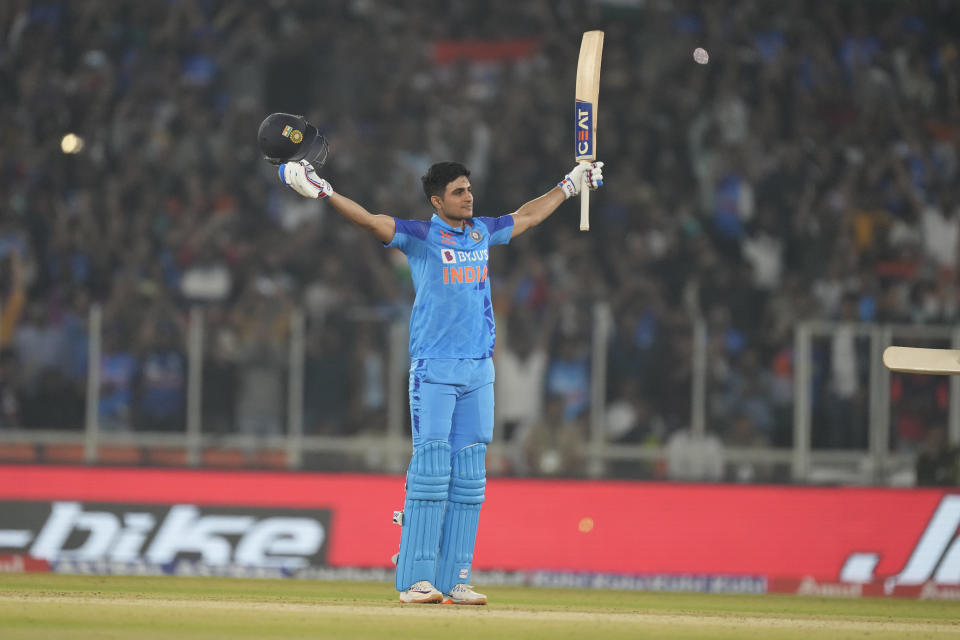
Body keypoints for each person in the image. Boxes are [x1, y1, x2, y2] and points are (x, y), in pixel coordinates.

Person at [259, 112, 605, 605]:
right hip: (434, 368)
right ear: (437, 201)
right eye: (459, 192)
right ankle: (415, 577)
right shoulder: (421, 238)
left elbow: (526, 215)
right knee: (432, 467)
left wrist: (569, 185)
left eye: (469, 189)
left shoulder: (482, 232)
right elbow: (372, 221)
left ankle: (454, 577)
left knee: (469, 475)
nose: (469, 197)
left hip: (478, 368)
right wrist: (324, 192)